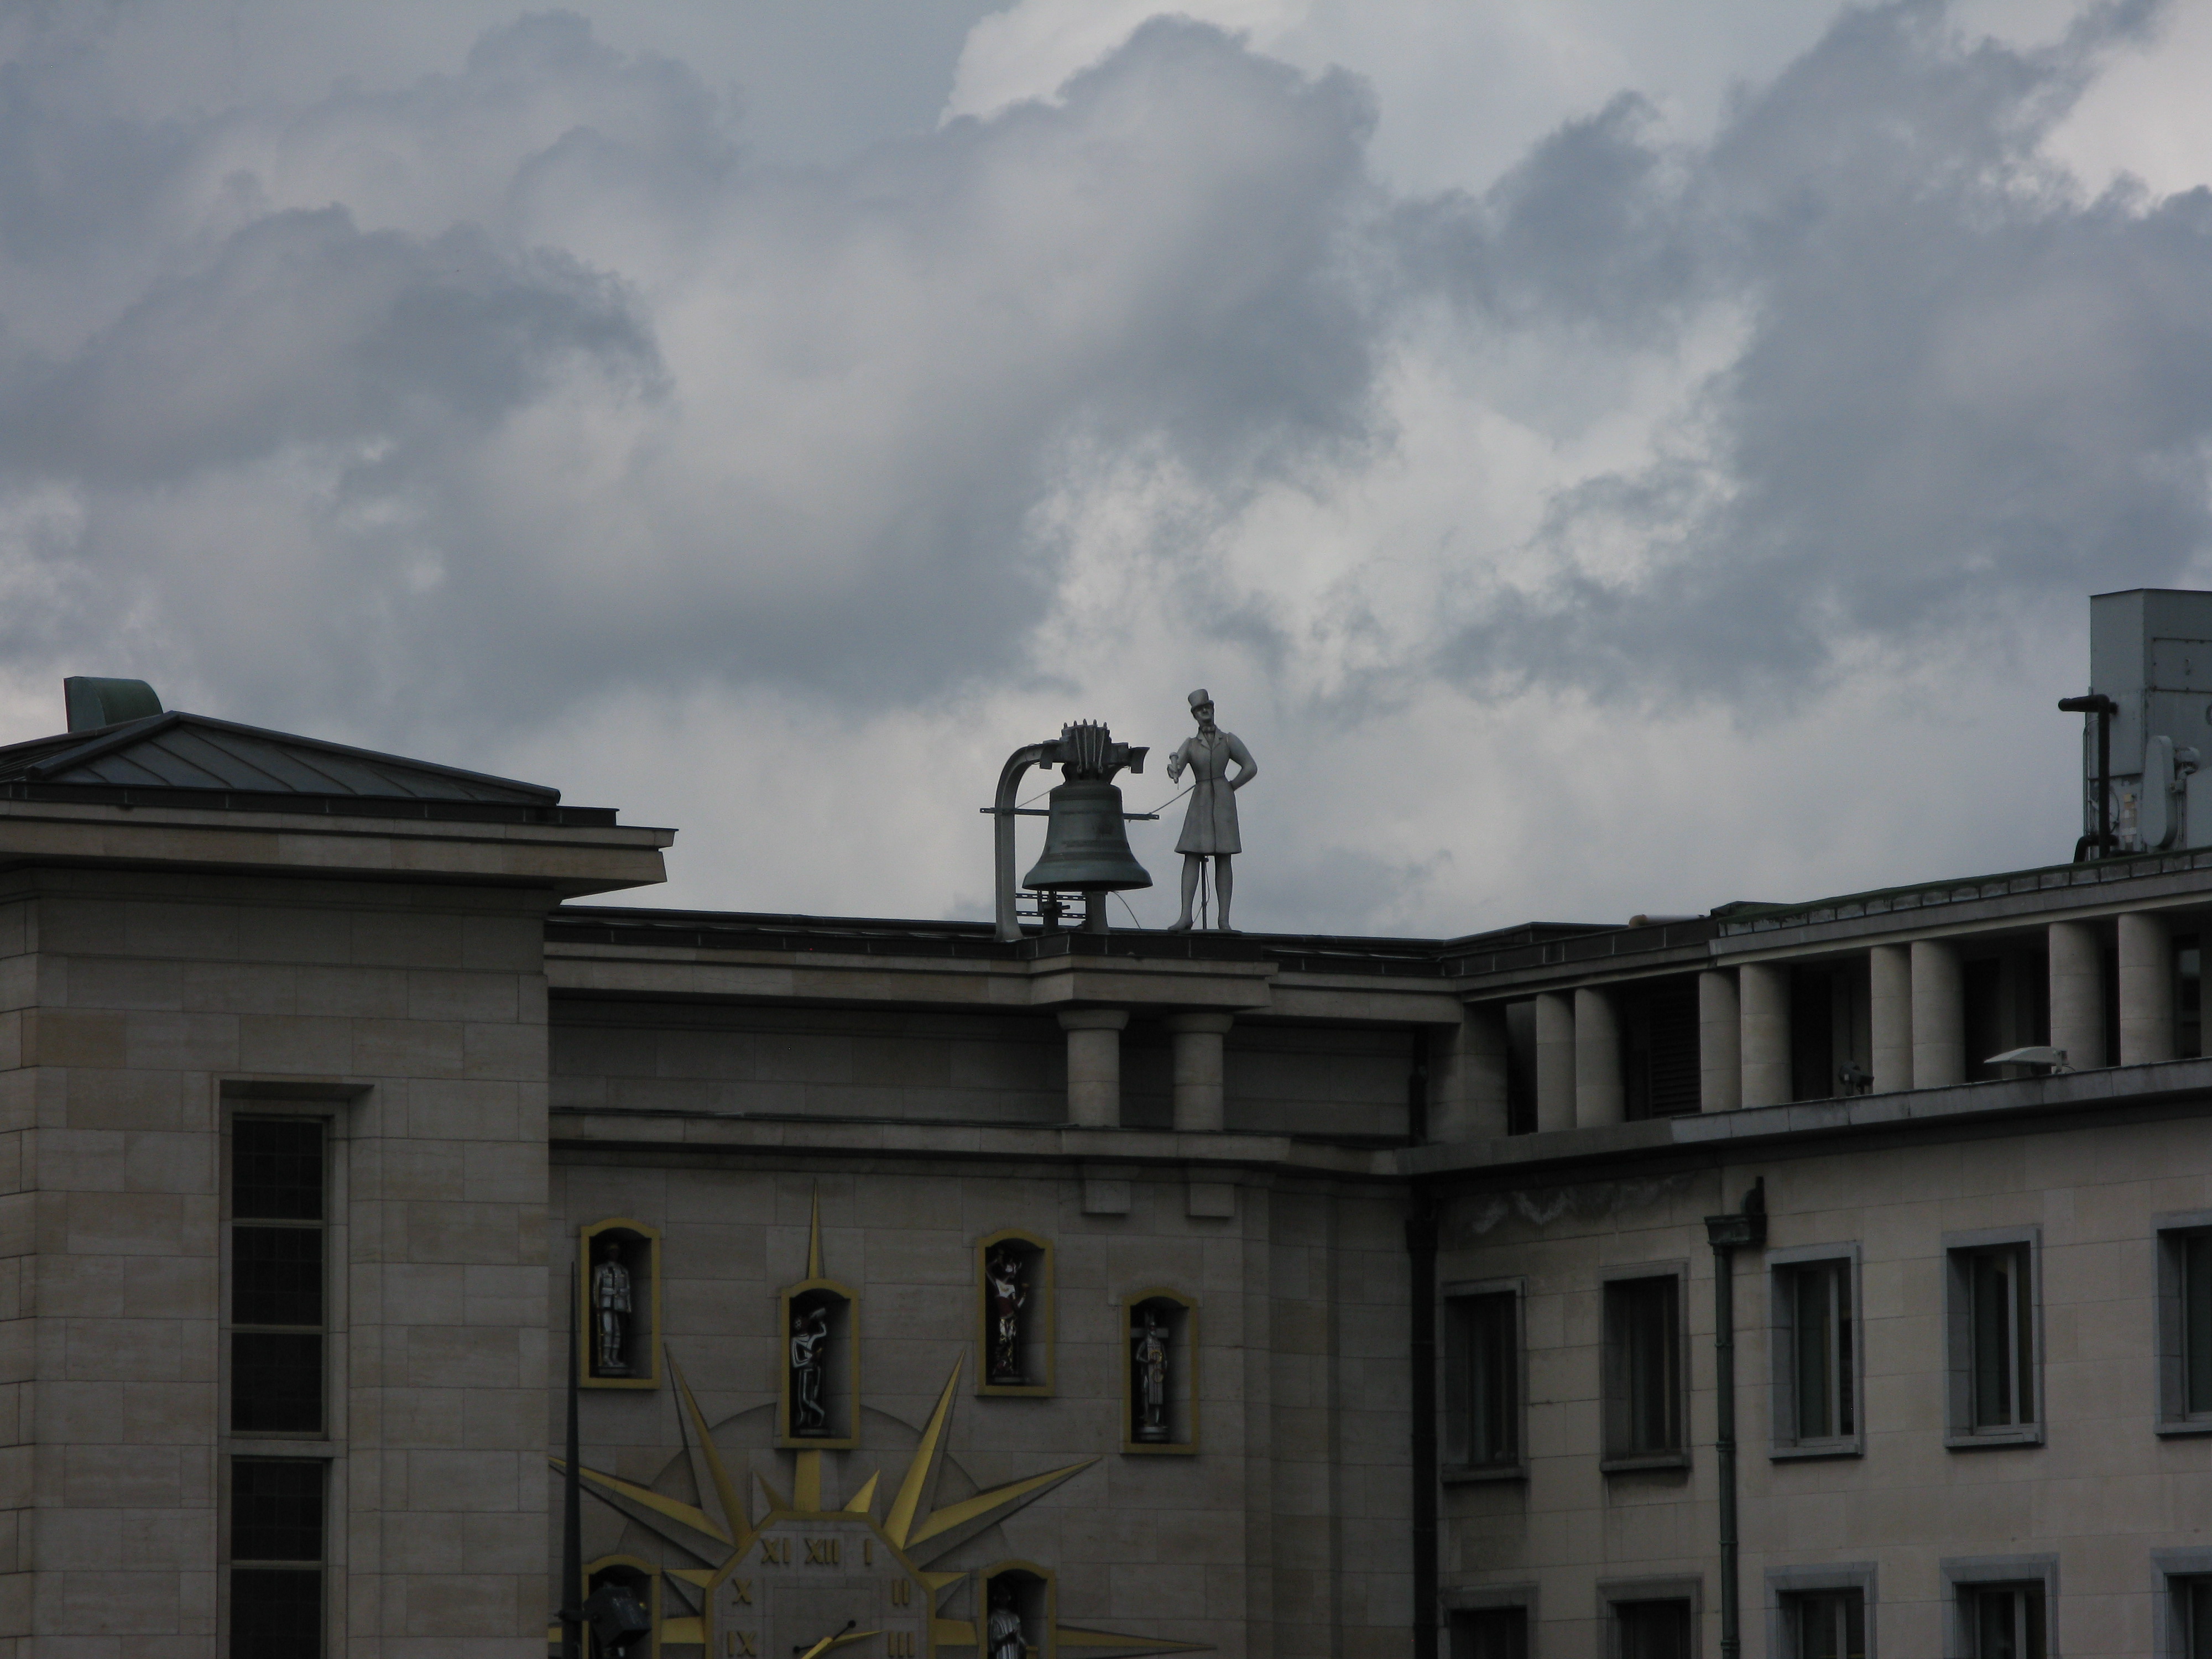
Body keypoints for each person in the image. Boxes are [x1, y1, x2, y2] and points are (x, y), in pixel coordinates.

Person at [1163, 690, 1257, 931]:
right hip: (1201, 801)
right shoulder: (1191, 744)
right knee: (1192, 854)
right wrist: (1173, 769)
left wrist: (1230, 787)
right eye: (1200, 709)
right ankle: (1186, 915)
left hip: (1223, 801)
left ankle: (1224, 919)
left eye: (1208, 707)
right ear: (1195, 715)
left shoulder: (1228, 740)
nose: (1205, 711)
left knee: (1224, 856)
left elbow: (1250, 767)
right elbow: (1177, 767)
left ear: (1213, 709)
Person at [592, 1239, 633, 1375]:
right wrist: (596, 1304)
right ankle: (606, 1358)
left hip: (619, 1304)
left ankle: (614, 1358)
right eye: (612, 1252)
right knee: (608, 1331)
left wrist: (628, 1307)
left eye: (616, 1252)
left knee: (618, 1333)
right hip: (606, 1304)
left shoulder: (623, 1270)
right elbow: (596, 1288)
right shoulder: (601, 1269)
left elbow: (627, 1289)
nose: (614, 1254)